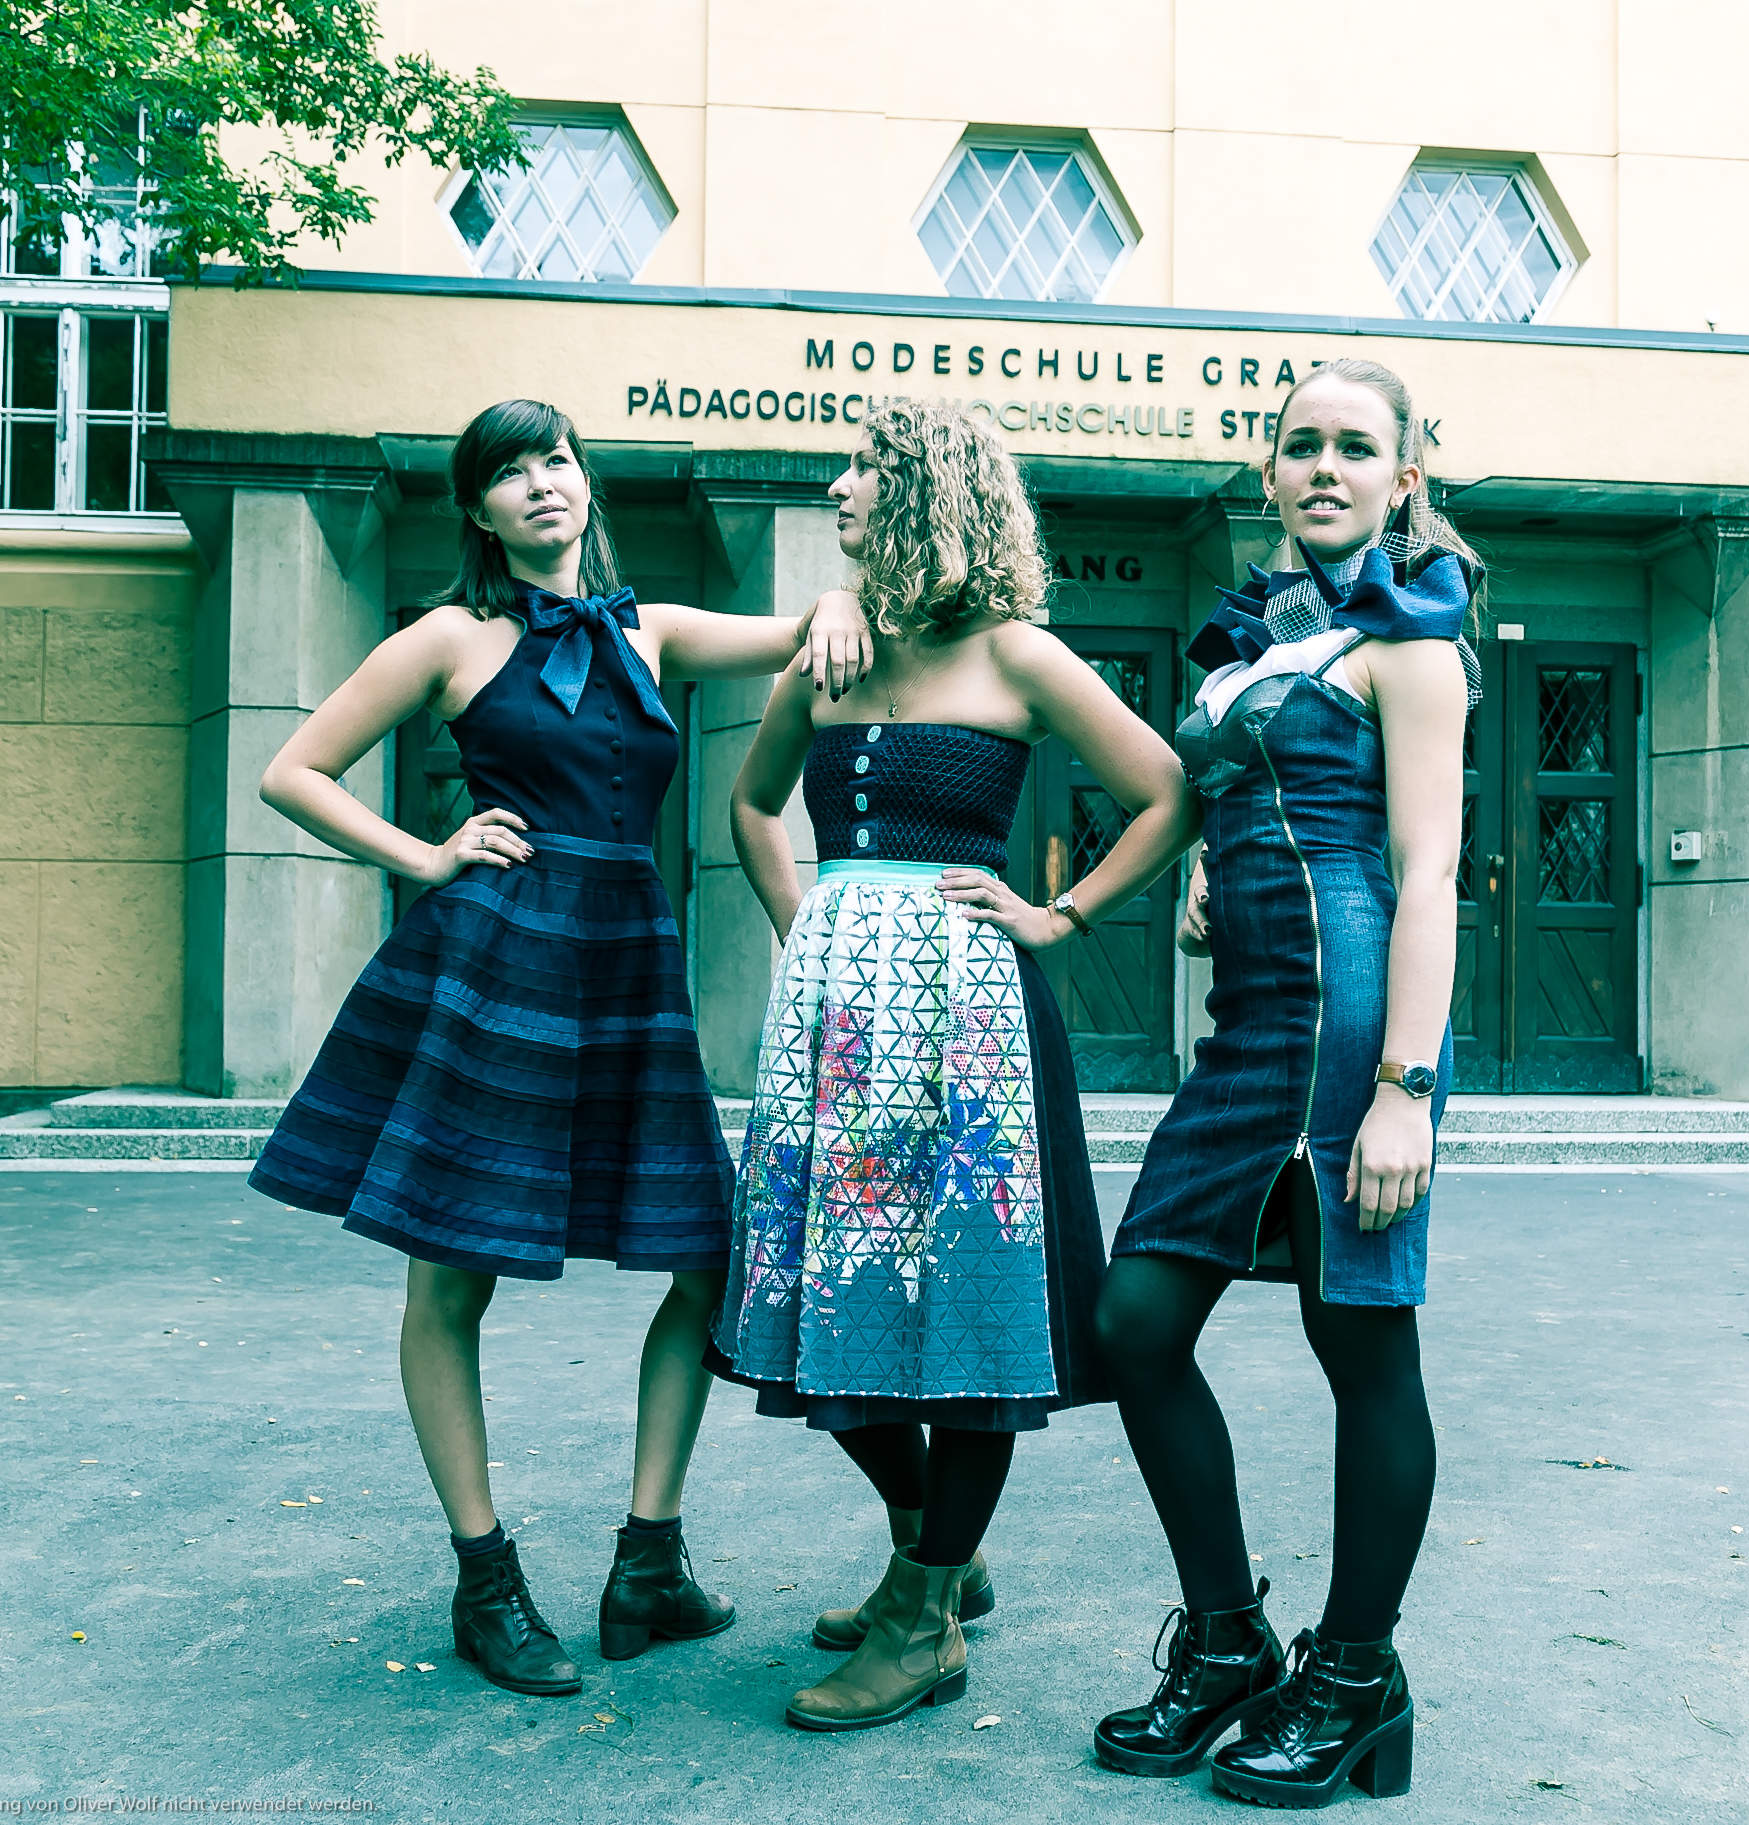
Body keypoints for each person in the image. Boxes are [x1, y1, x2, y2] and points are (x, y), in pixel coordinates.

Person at [248, 398, 873, 1698]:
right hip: (498, 961)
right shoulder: (445, 636)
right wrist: (425, 854)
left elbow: (804, 628)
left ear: (586, 482)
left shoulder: (652, 629)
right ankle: (486, 1580)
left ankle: (649, 1558)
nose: (541, 483)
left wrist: (832, 605)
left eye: (558, 459)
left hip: (627, 965)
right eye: (509, 471)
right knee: (450, 1276)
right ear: (477, 509)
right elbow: (292, 771)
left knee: (703, 1257)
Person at [711, 401, 1198, 1732]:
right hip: (834, 1030)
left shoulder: (1018, 654)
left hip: (971, 1023)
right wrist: (807, 926)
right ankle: (934, 1546)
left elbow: (1165, 791)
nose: (837, 484)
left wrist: (1063, 913)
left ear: (930, 488)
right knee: (827, 1289)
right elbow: (750, 805)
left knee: (973, 1307)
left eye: (864, 467)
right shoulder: (828, 651)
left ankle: (922, 1618)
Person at [1090, 358, 1474, 1807]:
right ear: (1268, 475)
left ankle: (1358, 1675)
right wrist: (1209, 862)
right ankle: (1228, 1641)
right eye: (1301, 444)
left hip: (1350, 1031)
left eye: (1355, 447)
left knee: (1360, 1347)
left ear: (1402, 478)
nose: (1325, 466)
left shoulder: (1412, 642)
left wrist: (1406, 1088)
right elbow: (1246, 790)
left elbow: (1426, 869)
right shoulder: (1259, 642)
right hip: (1245, 1030)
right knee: (1134, 1322)